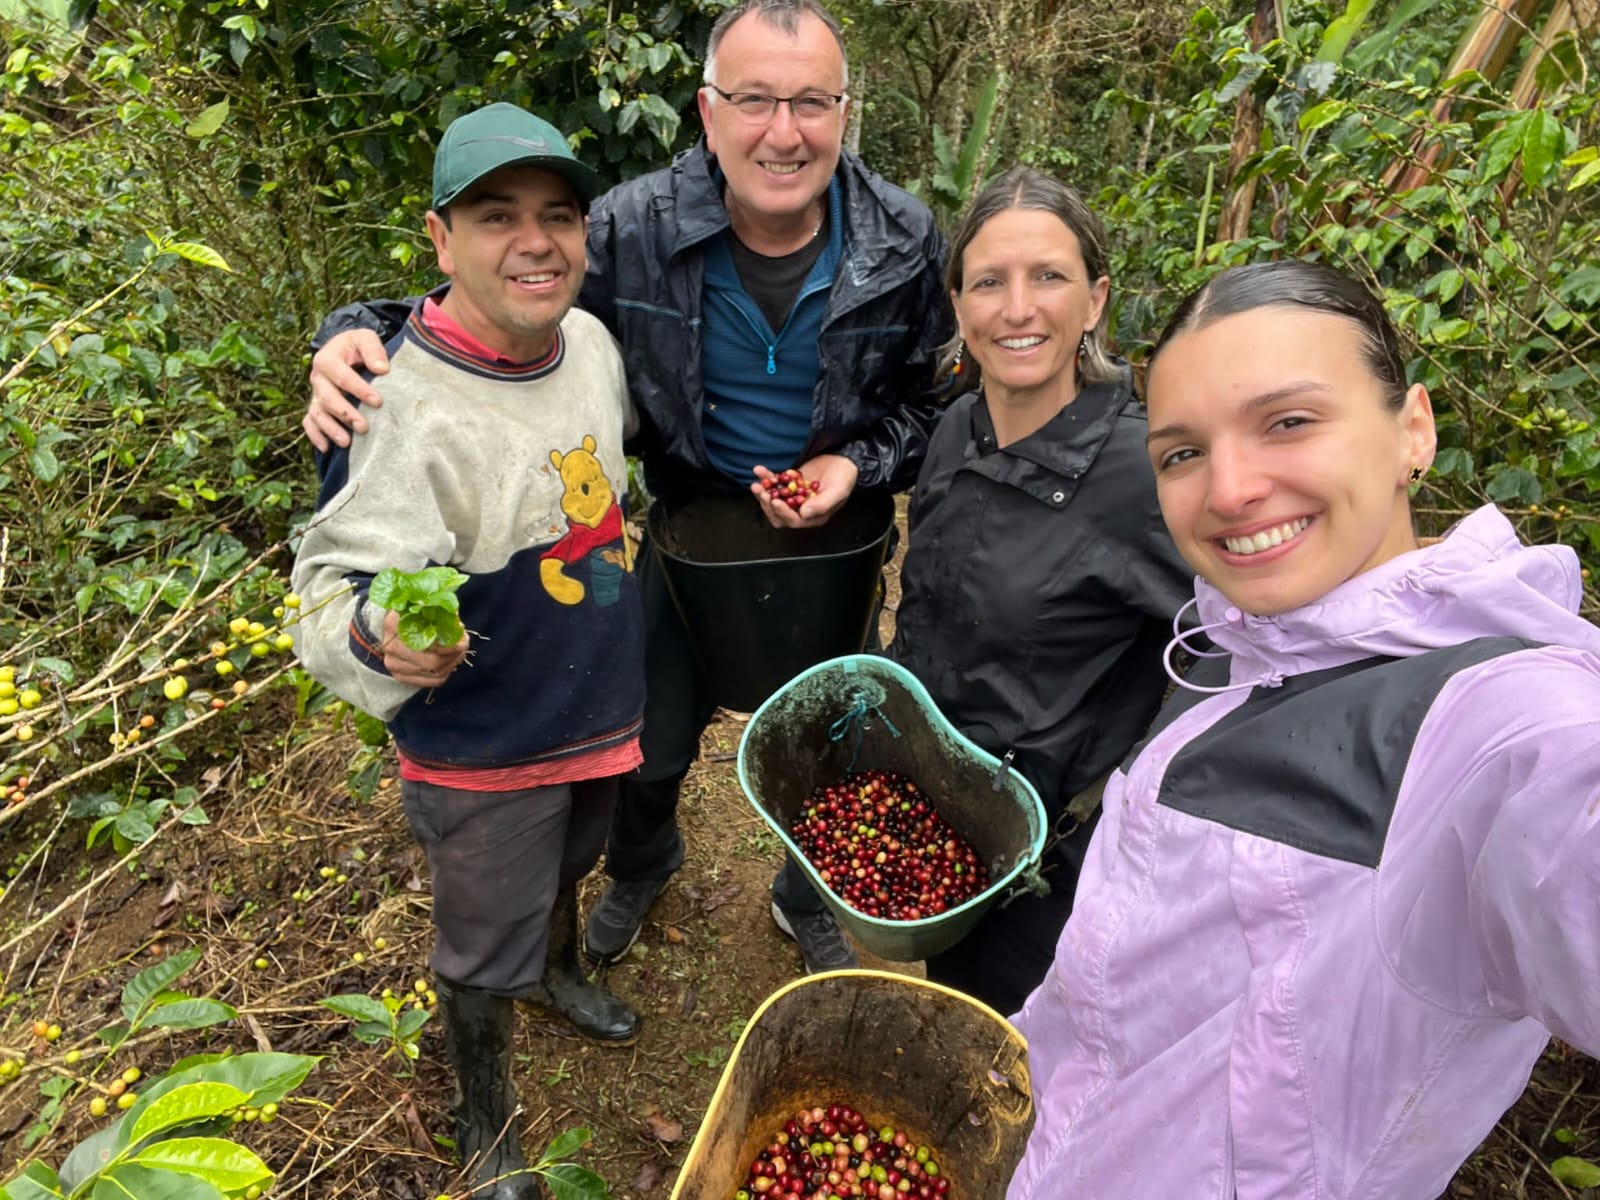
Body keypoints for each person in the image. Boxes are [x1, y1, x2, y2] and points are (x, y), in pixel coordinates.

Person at [300, 0, 952, 976]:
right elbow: (507, 289)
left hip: (838, 534)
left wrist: (851, 465)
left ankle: (803, 891)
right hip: (686, 522)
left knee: (834, 737)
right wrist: (354, 329)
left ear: (844, 110)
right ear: (707, 108)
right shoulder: (634, 226)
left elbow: (933, 402)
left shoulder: (903, 239)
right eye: (756, 101)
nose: (785, 132)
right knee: (651, 740)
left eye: (811, 102)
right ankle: (643, 864)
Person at [1007, 260, 1600, 1199]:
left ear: (1414, 427)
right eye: (1182, 452)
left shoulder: (1496, 724)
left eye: (1288, 422)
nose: (1231, 490)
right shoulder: (1238, 645)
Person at [291, 103, 646, 1200]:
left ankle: (559, 969)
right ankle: (486, 1123)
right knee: (474, 947)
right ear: (442, 242)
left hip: (594, 702)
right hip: (484, 747)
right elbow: (320, 591)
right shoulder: (391, 399)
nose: (535, 241)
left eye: (557, 216)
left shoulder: (588, 339)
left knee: (575, 860)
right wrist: (378, 639)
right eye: (497, 216)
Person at [886, 166, 1194, 1016]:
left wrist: (1127, 791)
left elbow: (1238, 647)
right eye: (990, 281)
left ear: (1094, 300)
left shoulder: (1146, 473)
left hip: (1052, 867)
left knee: (1023, 1051)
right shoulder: (958, 429)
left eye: (1048, 277)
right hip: (944, 814)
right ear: (959, 305)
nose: (1017, 308)